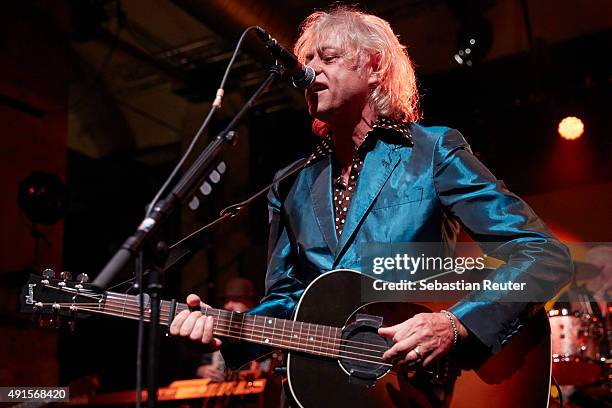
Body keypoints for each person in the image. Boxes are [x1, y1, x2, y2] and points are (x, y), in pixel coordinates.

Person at [171, 5, 571, 378]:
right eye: (307, 61)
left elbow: (544, 255)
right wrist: (228, 329)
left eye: (327, 58)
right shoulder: (290, 183)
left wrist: (456, 324)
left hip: (424, 384)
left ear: (375, 67)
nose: (309, 72)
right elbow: (288, 301)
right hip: (326, 388)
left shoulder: (430, 152)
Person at [195, 277, 256, 381]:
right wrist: (201, 370)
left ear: (251, 304)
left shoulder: (263, 332)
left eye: (236, 300)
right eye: (227, 301)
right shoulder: (217, 331)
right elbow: (200, 365)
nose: (228, 306)